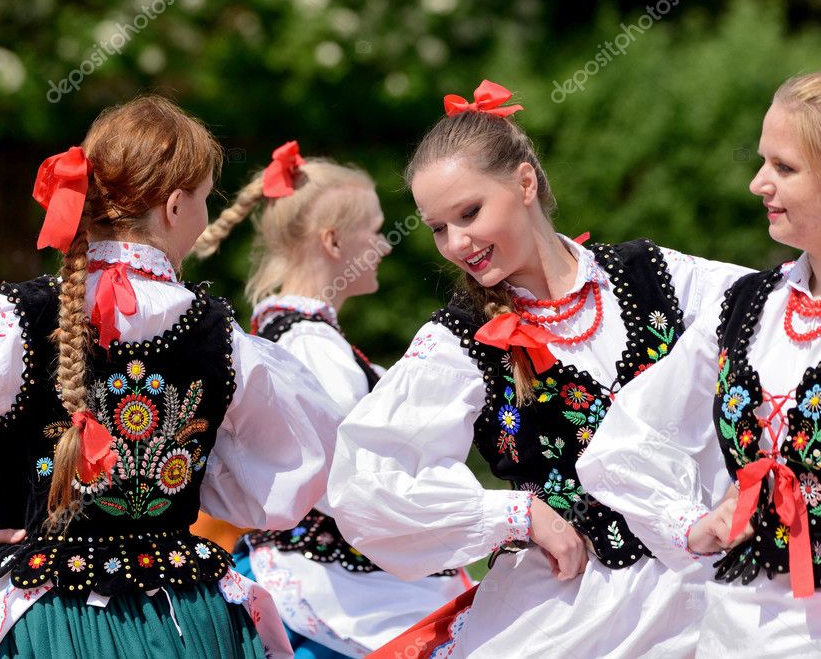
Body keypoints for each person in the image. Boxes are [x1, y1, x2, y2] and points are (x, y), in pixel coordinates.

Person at [0, 95, 344, 658]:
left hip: (46, 617)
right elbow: (302, 469)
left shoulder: (10, 322)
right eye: (205, 198)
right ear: (173, 206)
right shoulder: (224, 338)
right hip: (184, 618)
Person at [326, 80, 750, 657]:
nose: (457, 242)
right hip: (579, 614)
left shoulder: (657, 277)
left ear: (525, 182)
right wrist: (520, 513)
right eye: (438, 227)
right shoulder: (459, 342)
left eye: (469, 212)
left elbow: (778, 328)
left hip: (719, 586)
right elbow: (368, 480)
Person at [192, 141, 470, 657]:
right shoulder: (309, 345)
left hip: (330, 578)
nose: (385, 245)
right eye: (375, 229)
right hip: (340, 591)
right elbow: (342, 477)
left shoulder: (294, 335)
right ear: (335, 243)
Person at [576, 73, 821, 656]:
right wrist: (693, 523)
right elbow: (628, 439)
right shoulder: (748, 307)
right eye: (764, 162)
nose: (758, 181)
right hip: (743, 628)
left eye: (784, 168)